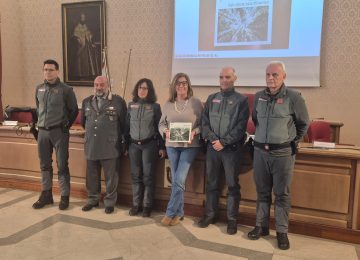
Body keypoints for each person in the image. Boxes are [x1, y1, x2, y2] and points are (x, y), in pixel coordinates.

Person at [247, 61, 309, 250]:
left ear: (284, 77)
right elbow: (256, 121)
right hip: (260, 153)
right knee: (262, 192)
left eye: (275, 75)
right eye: (268, 75)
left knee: (282, 194)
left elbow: (303, 124)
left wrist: (289, 140)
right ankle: (261, 226)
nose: (271, 78)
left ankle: (281, 231)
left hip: (283, 154)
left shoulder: (294, 97)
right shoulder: (258, 97)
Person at [198, 67, 249, 235]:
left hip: (231, 150)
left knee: (232, 186)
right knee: (211, 183)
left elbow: (240, 127)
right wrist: (214, 140)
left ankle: (232, 220)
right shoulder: (212, 98)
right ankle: (210, 215)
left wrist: (224, 142)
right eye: (221, 77)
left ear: (235, 78)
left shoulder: (241, 100)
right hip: (213, 149)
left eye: (227, 77)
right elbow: (204, 123)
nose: (224, 80)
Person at [33, 59, 79, 210]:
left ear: (58, 71)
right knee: (44, 165)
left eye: (51, 70)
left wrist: (66, 126)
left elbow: (74, 111)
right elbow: (38, 108)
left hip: (59, 132)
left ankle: (64, 197)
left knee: (62, 165)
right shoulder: (39, 89)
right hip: (43, 133)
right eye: (45, 69)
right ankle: (46, 195)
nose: (48, 72)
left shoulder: (66, 89)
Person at [159, 72, 203, 226]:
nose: (181, 86)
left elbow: (203, 125)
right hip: (172, 146)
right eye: (178, 83)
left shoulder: (196, 103)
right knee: (177, 180)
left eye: (184, 83)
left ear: (188, 85)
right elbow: (161, 124)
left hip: (190, 146)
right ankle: (180, 212)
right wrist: (165, 131)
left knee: (179, 179)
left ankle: (170, 212)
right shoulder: (168, 104)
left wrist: (194, 132)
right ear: (174, 86)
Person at [81, 76, 127, 214]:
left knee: (111, 177)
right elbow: (84, 122)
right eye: (96, 85)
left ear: (108, 85)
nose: (99, 87)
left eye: (101, 85)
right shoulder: (87, 102)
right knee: (92, 176)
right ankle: (92, 199)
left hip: (110, 146)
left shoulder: (118, 101)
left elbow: (124, 124)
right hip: (92, 145)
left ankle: (110, 202)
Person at [125, 78, 165, 217]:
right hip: (133, 146)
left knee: (148, 177)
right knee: (135, 176)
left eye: (145, 88)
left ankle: (147, 206)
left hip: (150, 146)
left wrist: (162, 147)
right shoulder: (131, 105)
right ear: (137, 89)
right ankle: (136, 204)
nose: (142, 90)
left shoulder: (155, 107)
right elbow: (126, 127)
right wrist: (124, 145)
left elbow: (159, 128)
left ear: (150, 91)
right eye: (140, 88)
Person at [72, 13, 99, 79]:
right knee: (81, 61)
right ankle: (82, 74)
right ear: (80, 18)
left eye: (84, 17)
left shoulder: (86, 26)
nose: (83, 19)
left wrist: (89, 37)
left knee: (89, 59)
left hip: (87, 46)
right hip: (81, 47)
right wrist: (79, 39)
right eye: (82, 17)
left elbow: (89, 34)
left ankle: (89, 73)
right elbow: (75, 36)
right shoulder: (77, 27)